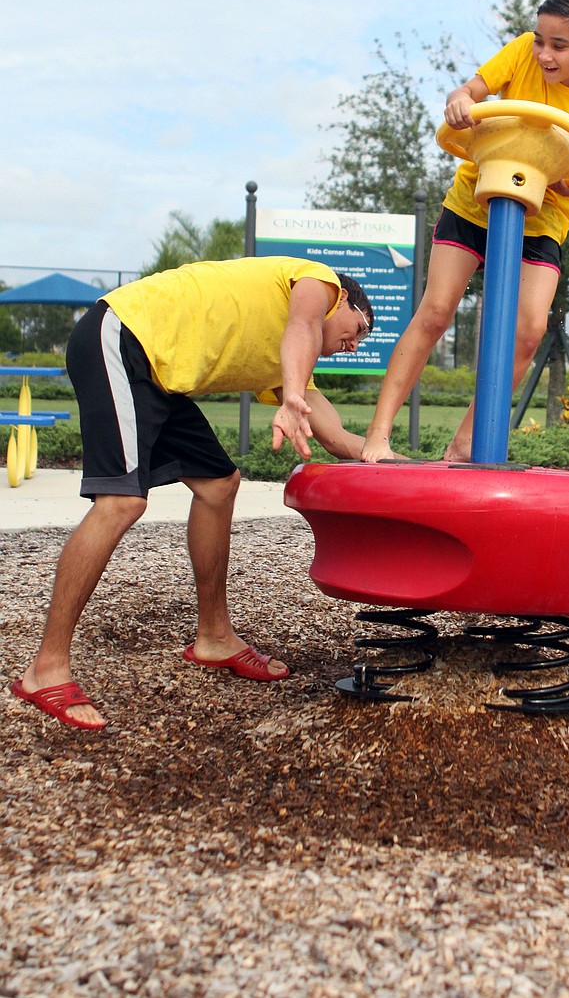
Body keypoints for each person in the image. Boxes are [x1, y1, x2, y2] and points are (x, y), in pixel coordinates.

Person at [12, 257, 380, 731]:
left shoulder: (291, 362)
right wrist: (291, 394)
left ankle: (214, 637)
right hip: (122, 336)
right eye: (359, 328)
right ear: (344, 299)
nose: (354, 344)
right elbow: (305, 322)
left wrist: (390, 459)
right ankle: (45, 669)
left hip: (160, 375)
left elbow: (337, 439)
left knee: (218, 484)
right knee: (122, 501)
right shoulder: (318, 281)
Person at [361, 0, 569, 463]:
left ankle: (463, 444)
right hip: (475, 198)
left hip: (542, 217)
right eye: (540, 40)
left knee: (527, 332)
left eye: (558, 45)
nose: (543, 53)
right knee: (437, 310)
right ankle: (377, 438)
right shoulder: (521, 53)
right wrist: (460, 99)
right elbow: (471, 92)